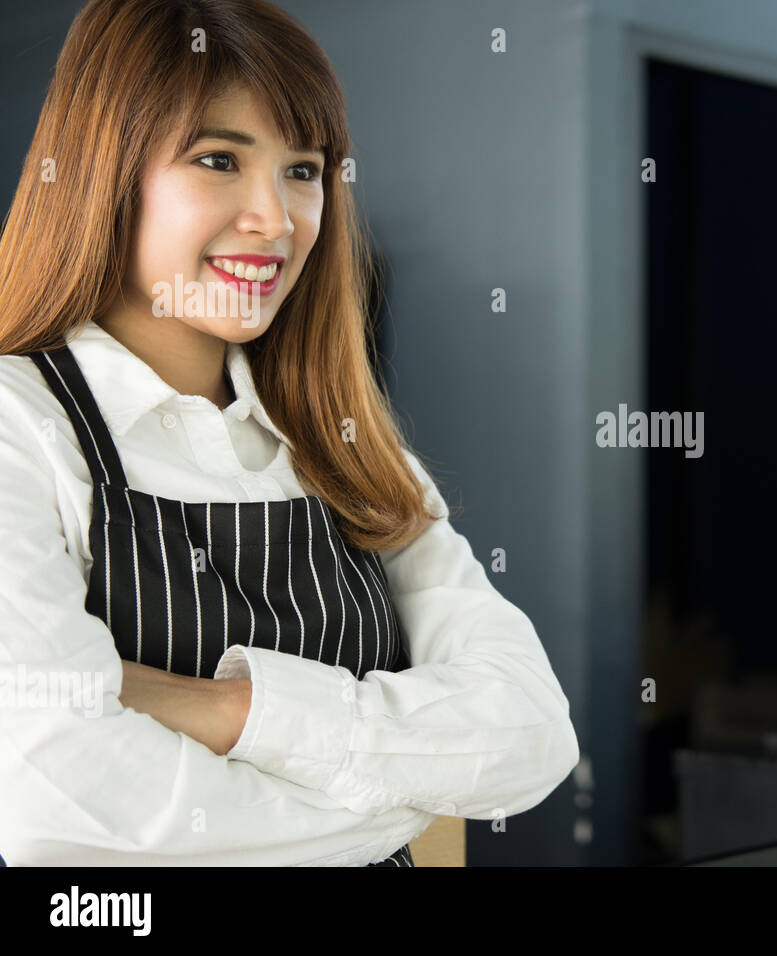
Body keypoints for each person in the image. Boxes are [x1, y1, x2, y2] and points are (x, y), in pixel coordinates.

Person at [0, 0, 579, 866]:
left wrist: (224, 707)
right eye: (219, 159)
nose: (277, 219)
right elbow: (52, 797)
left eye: (304, 171)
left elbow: (532, 733)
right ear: (100, 173)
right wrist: (397, 802)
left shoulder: (348, 446)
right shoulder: (20, 422)